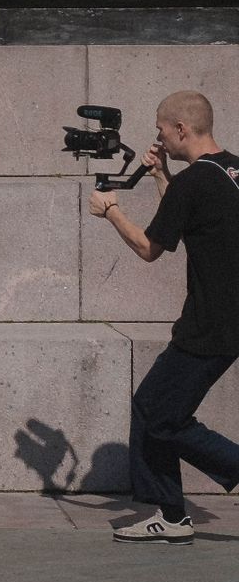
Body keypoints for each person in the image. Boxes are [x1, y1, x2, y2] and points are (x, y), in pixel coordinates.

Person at [88, 89, 239, 543]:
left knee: (160, 415)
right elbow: (188, 215)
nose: (158, 137)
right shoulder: (229, 170)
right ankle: (171, 516)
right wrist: (161, 175)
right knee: (156, 408)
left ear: (181, 129)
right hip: (228, 320)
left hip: (209, 324)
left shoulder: (195, 182)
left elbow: (150, 248)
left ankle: (179, 508)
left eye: (161, 129)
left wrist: (111, 211)